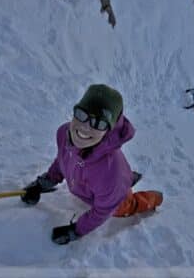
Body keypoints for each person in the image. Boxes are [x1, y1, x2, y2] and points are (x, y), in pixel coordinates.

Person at [21, 84, 163, 245]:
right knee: (111, 187)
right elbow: (62, 161)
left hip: (114, 192)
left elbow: (103, 211)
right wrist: (40, 185)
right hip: (105, 185)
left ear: (108, 131)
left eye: (99, 123)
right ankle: (128, 178)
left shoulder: (110, 174)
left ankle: (153, 198)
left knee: (123, 206)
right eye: (81, 114)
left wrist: (75, 231)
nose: (85, 127)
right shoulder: (64, 134)